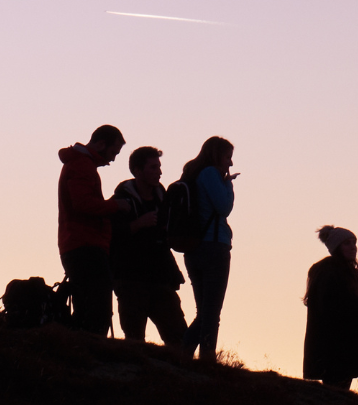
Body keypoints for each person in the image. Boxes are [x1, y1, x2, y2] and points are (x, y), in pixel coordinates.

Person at [110, 146, 187, 346]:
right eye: (153, 167)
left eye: (158, 167)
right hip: (130, 278)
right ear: (137, 171)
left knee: (180, 338)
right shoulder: (120, 201)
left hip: (160, 277)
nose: (159, 172)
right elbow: (110, 236)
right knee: (135, 340)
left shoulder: (164, 198)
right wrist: (138, 224)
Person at [56, 125, 126, 336]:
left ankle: (81, 346)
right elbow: (83, 204)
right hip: (86, 244)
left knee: (86, 306)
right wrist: (116, 206)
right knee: (97, 309)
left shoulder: (79, 163)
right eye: (113, 152)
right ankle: (91, 348)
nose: (113, 159)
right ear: (101, 144)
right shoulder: (82, 165)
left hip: (77, 243)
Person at [179, 136, 235, 364]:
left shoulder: (192, 174)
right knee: (211, 312)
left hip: (193, 249)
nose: (230, 163)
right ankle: (206, 358)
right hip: (213, 246)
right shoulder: (210, 174)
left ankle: (183, 355)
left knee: (204, 311)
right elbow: (224, 207)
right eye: (228, 157)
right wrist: (228, 184)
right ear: (217, 155)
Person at [303, 226, 358, 392]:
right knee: (334, 391)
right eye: (347, 243)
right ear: (337, 247)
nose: (353, 247)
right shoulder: (328, 270)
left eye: (354, 243)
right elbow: (329, 308)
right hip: (333, 345)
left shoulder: (348, 271)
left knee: (339, 390)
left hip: (346, 342)